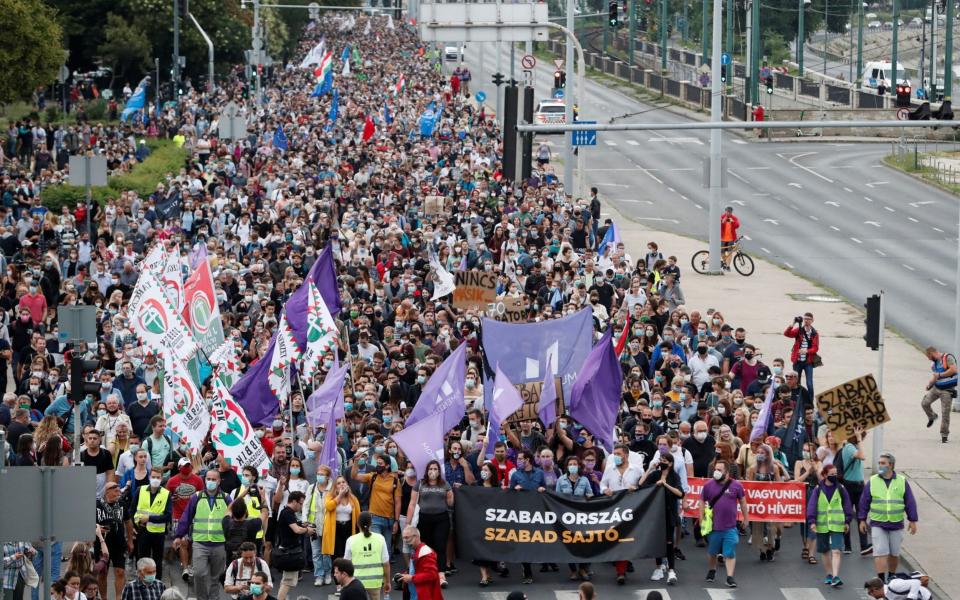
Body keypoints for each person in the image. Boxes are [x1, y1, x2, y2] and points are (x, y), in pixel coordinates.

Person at [857, 451, 919, 583]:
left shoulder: (902, 481)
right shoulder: (873, 481)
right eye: (879, 463)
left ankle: (891, 577)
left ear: (891, 465)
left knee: (894, 554)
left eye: (883, 463)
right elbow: (864, 502)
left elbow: (910, 501)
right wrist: (862, 519)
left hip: (896, 523)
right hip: (878, 523)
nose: (880, 465)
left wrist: (912, 520)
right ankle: (881, 581)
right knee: (880, 552)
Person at [173, 469, 232, 600]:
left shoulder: (226, 498)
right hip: (200, 543)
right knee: (199, 573)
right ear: (205, 480)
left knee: (216, 577)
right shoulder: (197, 497)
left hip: (219, 544)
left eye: (213, 479)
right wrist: (178, 535)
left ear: (219, 481)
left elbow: (232, 520)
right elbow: (186, 517)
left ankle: (214, 598)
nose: (210, 481)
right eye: (208, 479)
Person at [700, 459, 749, 588]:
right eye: (715, 469)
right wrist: (701, 519)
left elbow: (743, 502)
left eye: (719, 470)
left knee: (730, 552)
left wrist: (746, 518)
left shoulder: (736, 485)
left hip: (730, 527)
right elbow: (701, 502)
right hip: (714, 527)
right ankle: (712, 570)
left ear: (727, 472)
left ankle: (730, 577)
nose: (716, 472)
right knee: (712, 552)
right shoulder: (708, 485)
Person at [599, 444, 641, 585]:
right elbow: (602, 484)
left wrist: (635, 488)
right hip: (614, 509)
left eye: (618, 454)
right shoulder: (610, 469)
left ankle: (623, 566)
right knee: (617, 538)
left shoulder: (636, 470)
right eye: (614, 454)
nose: (616, 456)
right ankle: (620, 570)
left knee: (627, 538)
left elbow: (644, 486)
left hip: (631, 509)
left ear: (626, 455)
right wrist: (605, 490)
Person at [807, 463, 853, 588]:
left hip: (838, 525)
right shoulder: (818, 489)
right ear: (825, 475)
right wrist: (812, 522)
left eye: (835, 474)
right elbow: (811, 506)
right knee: (825, 551)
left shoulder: (841, 488)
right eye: (832, 474)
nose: (834, 476)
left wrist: (847, 521)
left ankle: (835, 576)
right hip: (822, 525)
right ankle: (829, 574)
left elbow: (847, 506)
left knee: (836, 550)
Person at [640, 451, 684, 586]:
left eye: (665, 460)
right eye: (661, 459)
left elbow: (680, 493)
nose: (662, 462)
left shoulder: (674, 477)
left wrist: (665, 484)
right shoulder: (655, 474)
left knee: (669, 543)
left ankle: (671, 571)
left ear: (670, 464)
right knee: (657, 541)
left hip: (669, 514)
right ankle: (659, 567)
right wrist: (649, 469)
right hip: (655, 514)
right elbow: (641, 485)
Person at [406, 460, 453, 583]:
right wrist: (408, 523)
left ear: (439, 471)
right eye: (431, 469)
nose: (433, 471)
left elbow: (450, 503)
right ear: (427, 471)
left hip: (441, 519)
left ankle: (441, 575)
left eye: (435, 469)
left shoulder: (444, 484)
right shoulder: (420, 484)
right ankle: (428, 572)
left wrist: (450, 495)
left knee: (440, 546)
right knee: (426, 546)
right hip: (424, 518)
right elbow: (412, 503)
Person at [131, 467, 171, 580]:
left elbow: (167, 516)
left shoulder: (166, 494)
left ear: (161, 478)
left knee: (157, 561)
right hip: (142, 531)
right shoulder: (140, 490)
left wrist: (149, 518)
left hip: (158, 533)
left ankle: (157, 583)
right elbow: (132, 510)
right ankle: (141, 580)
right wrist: (134, 527)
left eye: (158, 477)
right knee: (142, 559)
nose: (155, 479)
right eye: (153, 477)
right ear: (149, 477)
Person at [321, 475, 360, 592]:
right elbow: (329, 507)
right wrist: (340, 495)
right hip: (335, 530)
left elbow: (358, 515)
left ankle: (347, 581)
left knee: (347, 557)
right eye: (338, 483)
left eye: (343, 482)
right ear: (335, 486)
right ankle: (338, 583)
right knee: (337, 558)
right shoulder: (330, 496)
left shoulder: (352, 498)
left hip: (348, 529)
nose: (342, 484)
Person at [274, 491, 315, 600]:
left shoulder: (287, 513)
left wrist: (302, 524)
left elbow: (293, 527)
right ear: (293, 501)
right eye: (300, 503)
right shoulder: (288, 513)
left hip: (288, 551)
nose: (301, 506)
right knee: (287, 582)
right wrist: (307, 529)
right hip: (289, 552)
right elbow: (296, 530)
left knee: (287, 581)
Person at [95, 481, 133, 600]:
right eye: (116, 491)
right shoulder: (96, 505)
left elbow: (128, 522)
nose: (119, 493)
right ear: (107, 492)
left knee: (120, 572)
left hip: (119, 543)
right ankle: (104, 598)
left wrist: (130, 540)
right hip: (101, 544)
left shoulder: (122, 504)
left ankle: (118, 598)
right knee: (102, 574)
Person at [344, 512, 390, 600]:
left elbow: (346, 563)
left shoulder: (351, 540)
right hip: (375, 581)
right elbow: (386, 563)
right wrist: (387, 582)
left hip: (357, 582)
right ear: (371, 523)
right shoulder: (380, 538)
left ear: (358, 524)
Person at [305, 465, 334, 586]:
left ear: (328, 476)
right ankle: (319, 575)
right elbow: (306, 505)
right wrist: (305, 523)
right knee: (316, 553)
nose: (319, 477)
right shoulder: (311, 488)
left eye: (322, 474)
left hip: (328, 525)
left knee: (326, 552)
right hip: (314, 526)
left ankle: (327, 573)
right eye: (318, 474)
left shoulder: (332, 489)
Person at [921, 345, 955, 443]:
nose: (928, 359)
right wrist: (930, 384)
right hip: (936, 387)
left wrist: (940, 375)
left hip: (947, 390)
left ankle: (944, 435)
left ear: (932, 353)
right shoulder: (934, 364)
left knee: (945, 413)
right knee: (924, 403)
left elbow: (954, 370)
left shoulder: (947, 358)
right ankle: (932, 416)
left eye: (928, 357)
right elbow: (936, 376)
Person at [398, 527, 443, 600]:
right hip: (416, 594)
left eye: (407, 537)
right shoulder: (416, 551)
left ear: (416, 537)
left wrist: (411, 578)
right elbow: (415, 570)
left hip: (423, 595)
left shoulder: (425, 553)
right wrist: (404, 575)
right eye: (403, 538)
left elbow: (432, 575)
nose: (405, 541)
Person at [783, 313, 819, 398]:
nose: (806, 320)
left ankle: (810, 402)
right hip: (797, 361)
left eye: (809, 319)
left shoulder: (814, 333)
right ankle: (796, 400)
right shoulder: (799, 330)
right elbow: (787, 334)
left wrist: (806, 351)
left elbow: (815, 348)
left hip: (808, 362)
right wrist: (793, 323)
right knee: (795, 382)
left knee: (809, 383)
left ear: (812, 320)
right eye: (805, 318)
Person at [864, 573, 933, 600]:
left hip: (925, 597)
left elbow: (916, 582)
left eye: (870, 592)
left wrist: (910, 598)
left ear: (875, 589)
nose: (870, 595)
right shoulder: (887, 597)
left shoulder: (894, 585)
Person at [719, 206, 740, 270]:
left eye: (729, 212)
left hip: (731, 239)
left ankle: (728, 266)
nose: (728, 213)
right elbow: (719, 225)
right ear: (725, 211)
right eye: (727, 211)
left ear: (731, 212)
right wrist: (723, 221)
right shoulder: (722, 217)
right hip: (722, 238)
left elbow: (737, 226)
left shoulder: (734, 218)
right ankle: (724, 263)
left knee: (729, 252)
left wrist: (732, 221)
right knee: (722, 252)